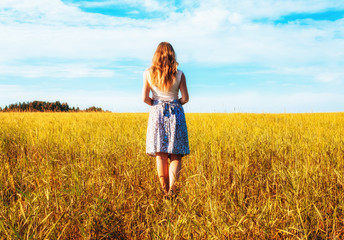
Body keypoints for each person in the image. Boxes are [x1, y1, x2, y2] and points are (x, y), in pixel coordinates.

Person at [142, 42, 190, 199]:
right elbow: (185, 98)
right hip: (176, 112)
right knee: (175, 155)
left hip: (157, 113)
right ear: (172, 55)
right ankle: (172, 191)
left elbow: (144, 98)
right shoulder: (179, 73)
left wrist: (156, 104)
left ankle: (164, 192)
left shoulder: (148, 73)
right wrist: (175, 104)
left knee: (160, 153)